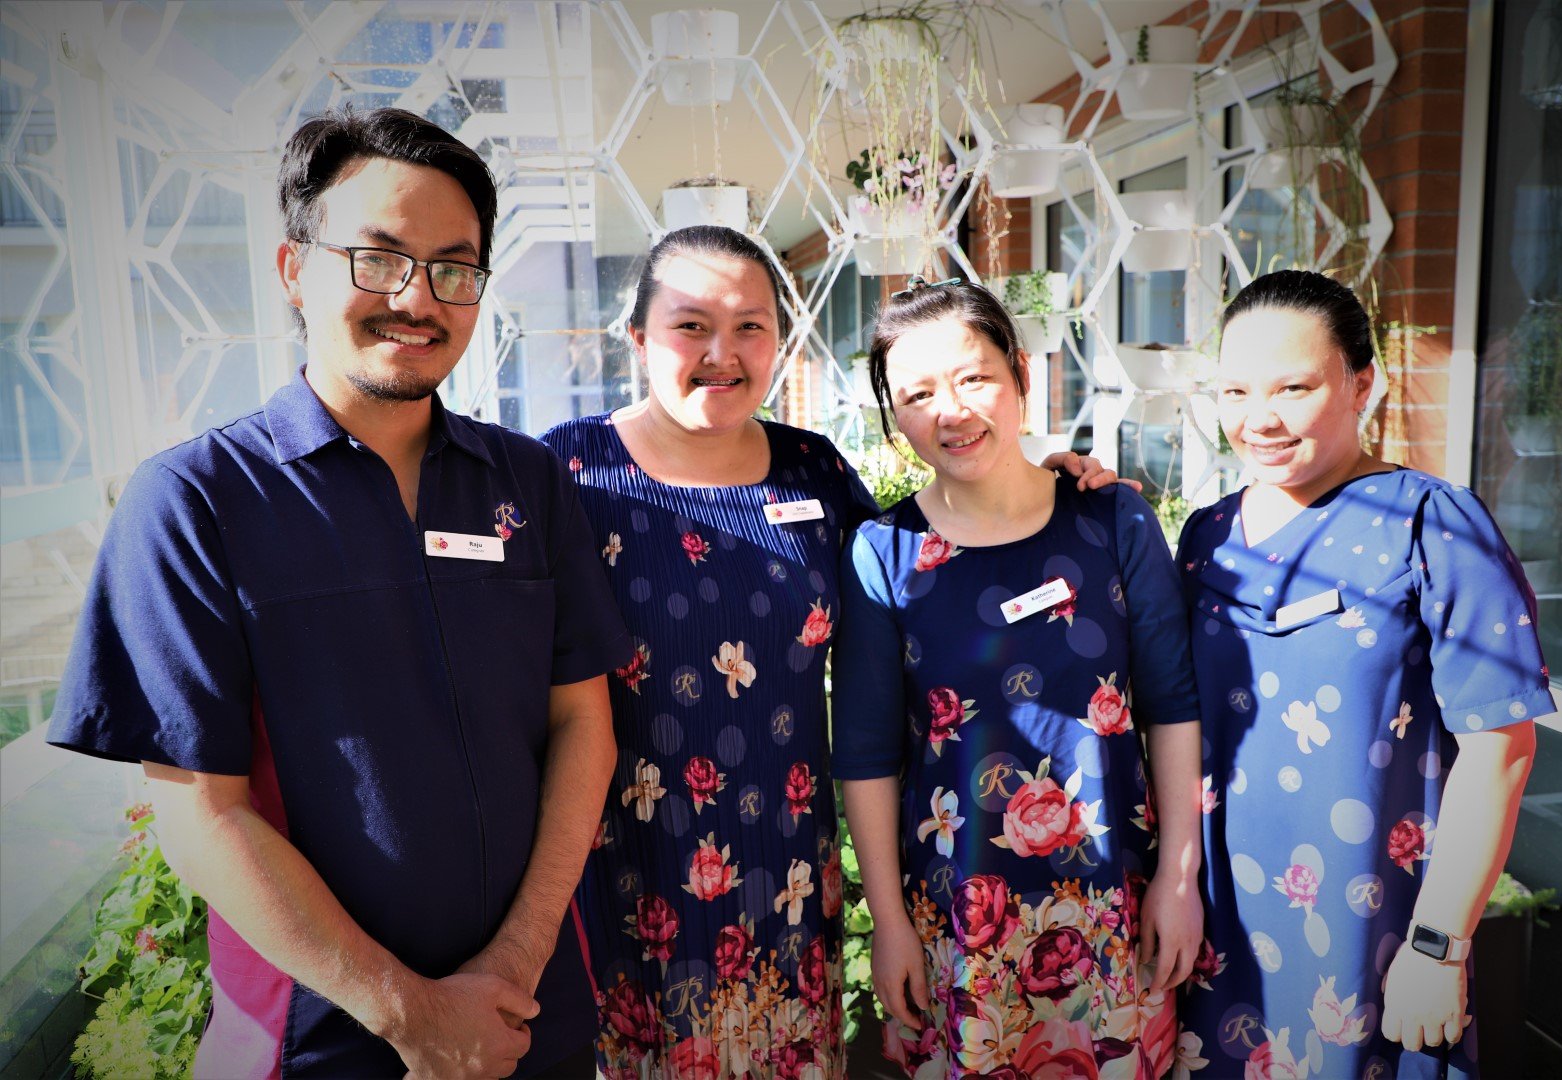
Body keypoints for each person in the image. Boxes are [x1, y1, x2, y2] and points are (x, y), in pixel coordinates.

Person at [47, 106, 629, 1078]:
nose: (416, 297)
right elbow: (201, 813)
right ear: (293, 270)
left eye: (453, 268)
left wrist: (514, 965)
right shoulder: (195, 502)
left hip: (528, 1018)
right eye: (377, 257)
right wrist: (412, 1016)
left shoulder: (526, 482)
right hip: (321, 1041)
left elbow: (583, 726)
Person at [1175, 270, 1549, 1079]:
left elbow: (1501, 749)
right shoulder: (1207, 535)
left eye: (1293, 387)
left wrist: (1439, 945)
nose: (1259, 418)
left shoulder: (1432, 523)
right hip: (1213, 931)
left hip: (1375, 934)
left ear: (1361, 384)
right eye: (1235, 390)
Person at [831, 278, 1205, 1079]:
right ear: (894, 415)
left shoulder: (1113, 521)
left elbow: (1172, 706)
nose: (951, 411)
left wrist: (1180, 878)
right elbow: (866, 755)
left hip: (1114, 908)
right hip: (957, 924)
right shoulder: (883, 554)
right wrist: (889, 923)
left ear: (1021, 375)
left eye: (973, 378)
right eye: (917, 394)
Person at [542, 225, 877, 1078]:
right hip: (628, 879)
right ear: (638, 339)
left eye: (749, 327)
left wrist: (1057, 494)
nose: (721, 354)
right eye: (691, 325)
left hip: (788, 879)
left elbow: (925, 583)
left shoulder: (815, 471)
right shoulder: (566, 472)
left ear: (779, 341)